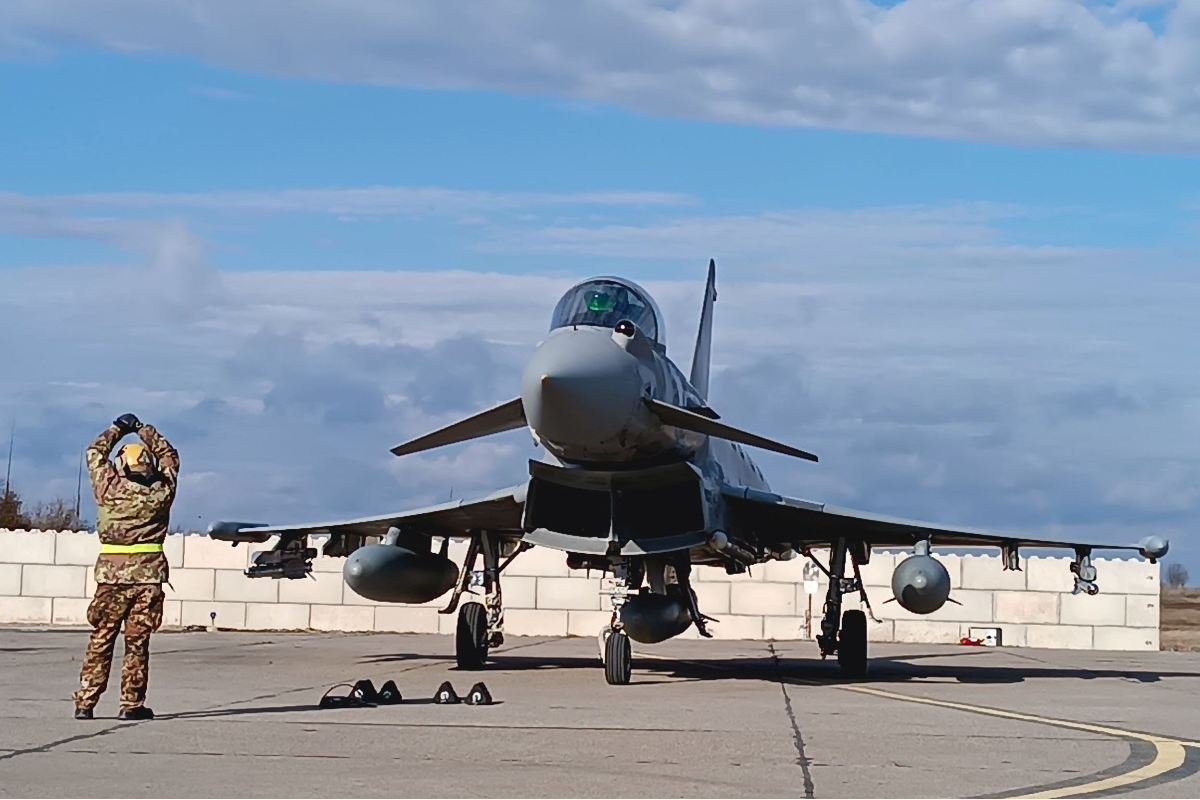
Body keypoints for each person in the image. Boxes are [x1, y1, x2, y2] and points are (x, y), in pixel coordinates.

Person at [73, 413, 179, 721]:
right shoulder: (161, 492)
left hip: (111, 576)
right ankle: (131, 705)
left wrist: (119, 429)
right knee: (137, 642)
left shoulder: (108, 487)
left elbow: (94, 453)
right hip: (148, 578)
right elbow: (170, 457)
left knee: (102, 637)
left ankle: (85, 702)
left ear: (122, 466)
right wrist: (145, 431)